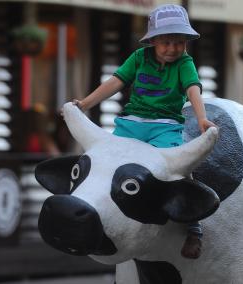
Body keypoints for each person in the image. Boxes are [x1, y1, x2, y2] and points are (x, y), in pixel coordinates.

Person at [71, 4, 216, 259]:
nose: (173, 48)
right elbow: (115, 83)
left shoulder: (185, 63)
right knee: (106, 167)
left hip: (166, 126)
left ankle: (193, 225)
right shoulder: (138, 58)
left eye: (179, 42)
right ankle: (96, 212)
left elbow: (193, 89)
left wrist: (202, 119)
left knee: (179, 169)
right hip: (131, 124)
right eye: (167, 42)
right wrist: (84, 104)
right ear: (154, 41)